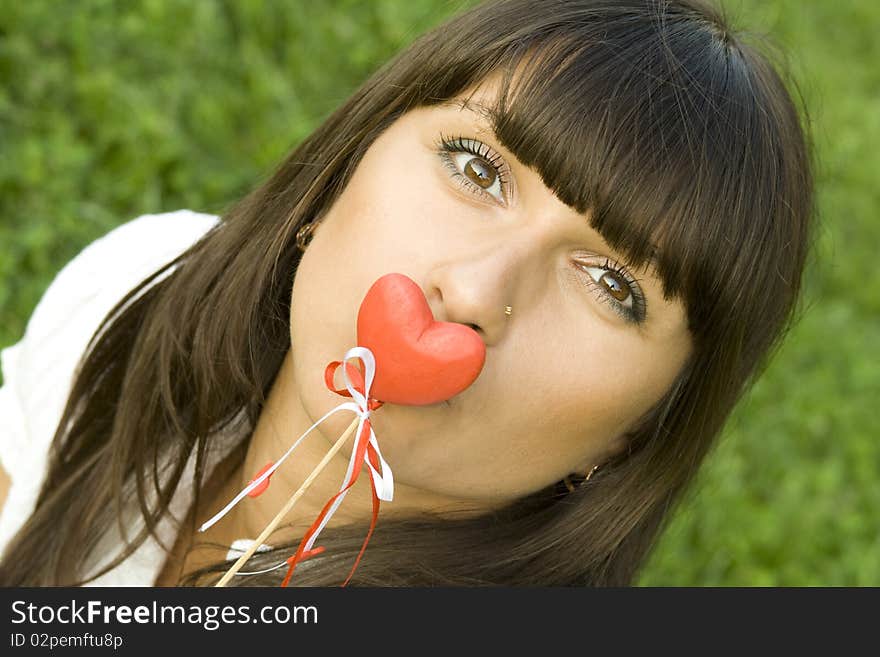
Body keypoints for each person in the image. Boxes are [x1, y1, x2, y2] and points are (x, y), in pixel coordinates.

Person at [0, 0, 815, 587]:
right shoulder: (146, 284)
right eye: (476, 167)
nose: (469, 292)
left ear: (637, 431)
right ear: (333, 179)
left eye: (612, 284)